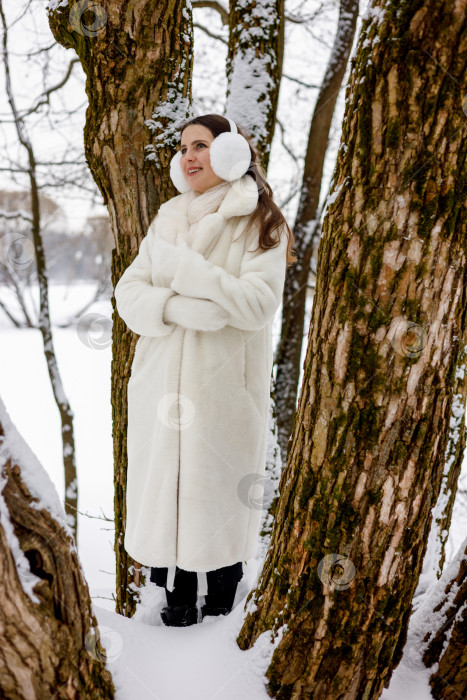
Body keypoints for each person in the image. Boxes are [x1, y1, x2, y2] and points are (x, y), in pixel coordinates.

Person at [114, 113, 297, 627]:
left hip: (221, 394)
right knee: (164, 498)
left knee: (214, 501)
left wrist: (184, 274)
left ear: (230, 154)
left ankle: (219, 618)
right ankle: (170, 608)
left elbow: (257, 305)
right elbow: (129, 293)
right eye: (183, 148)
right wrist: (177, 308)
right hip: (157, 388)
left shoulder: (261, 222)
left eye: (200, 146)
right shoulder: (169, 217)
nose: (188, 156)